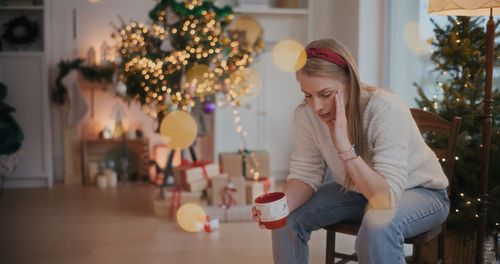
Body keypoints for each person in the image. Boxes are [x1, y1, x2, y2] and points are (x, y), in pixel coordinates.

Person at [252, 38, 450, 263]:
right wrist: (278, 208)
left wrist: (344, 147)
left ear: (350, 82)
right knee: (287, 219)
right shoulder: (306, 115)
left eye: (325, 94)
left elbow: (384, 198)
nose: (316, 106)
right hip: (357, 191)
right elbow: (305, 175)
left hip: (419, 192)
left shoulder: (385, 109)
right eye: (307, 94)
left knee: (377, 225)